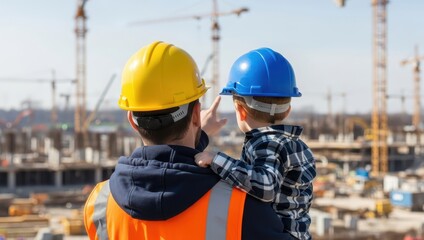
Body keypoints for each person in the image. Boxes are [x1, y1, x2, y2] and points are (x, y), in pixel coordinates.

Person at [83, 41, 293, 240]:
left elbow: (166, 164)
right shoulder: (242, 207)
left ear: (132, 121)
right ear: (195, 115)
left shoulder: (99, 204)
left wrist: (199, 134)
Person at [195, 47, 316, 240]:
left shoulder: (267, 143)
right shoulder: (295, 144)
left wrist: (216, 159)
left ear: (240, 110)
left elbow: (265, 187)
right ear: (287, 111)